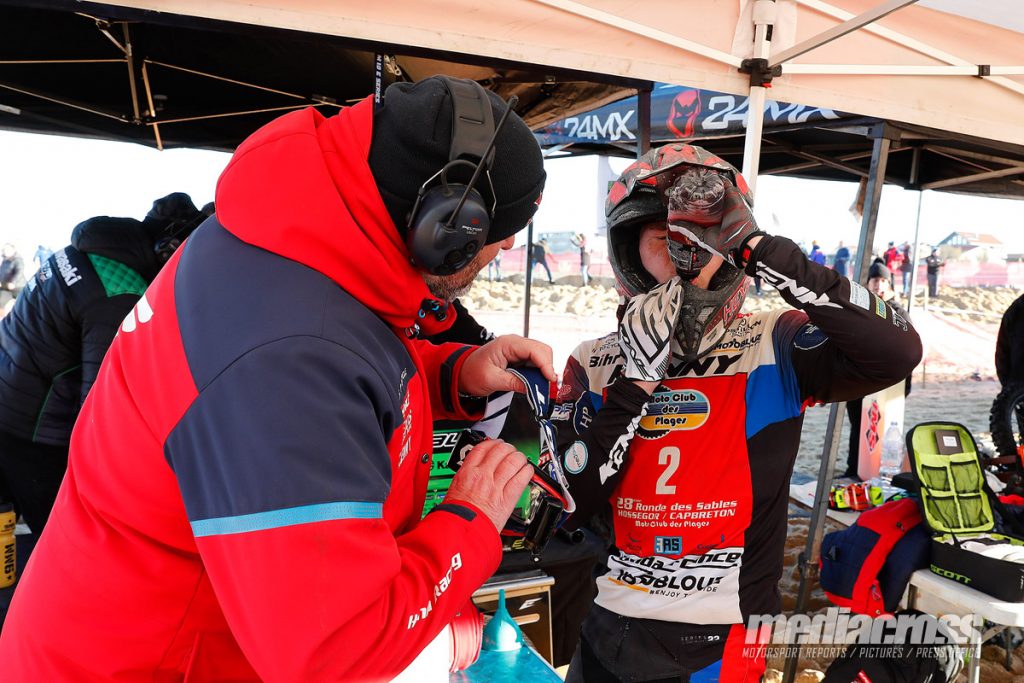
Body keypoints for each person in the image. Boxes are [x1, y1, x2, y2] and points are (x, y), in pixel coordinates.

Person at [0, 75, 552, 681]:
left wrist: (452, 375)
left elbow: (342, 368)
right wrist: (469, 521)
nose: (499, 252)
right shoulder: (288, 359)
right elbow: (336, 655)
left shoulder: (291, 248)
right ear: (446, 223)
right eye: (497, 236)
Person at [550, 145, 921, 682]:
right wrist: (636, 381)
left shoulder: (776, 340)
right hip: (607, 623)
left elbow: (898, 351)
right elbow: (569, 504)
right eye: (667, 240)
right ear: (629, 253)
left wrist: (760, 248)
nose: (687, 257)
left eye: (702, 239)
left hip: (724, 638)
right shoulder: (593, 359)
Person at [0, 193, 208, 539]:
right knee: (66, 544)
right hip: (33, 434)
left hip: (10, 404)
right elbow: (102, 407)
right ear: (169, 251)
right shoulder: (119, 295)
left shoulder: (81, 254)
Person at [843, 262, 913, 478]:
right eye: (875, 280)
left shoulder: (898, 312)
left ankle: (875, 471)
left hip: (885, 384)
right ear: (868, 283)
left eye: (883, 281)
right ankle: (853, 469)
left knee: (880, 429)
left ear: (890, 284)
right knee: (858, 427)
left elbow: (909, 348)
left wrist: (905, 385)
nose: (879, 285)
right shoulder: (860, 307)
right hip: (858, 380)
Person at [996, 292, 1024, 387]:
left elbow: (1002, 354)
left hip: (1017, 389)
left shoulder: (1016, 308)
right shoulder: (1016, 310)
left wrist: (1009, 388)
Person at [0, 243, 25, 308]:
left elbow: (19, 271)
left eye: (8, 249)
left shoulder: (18, 260)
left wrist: (13, 283)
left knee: (22, 305)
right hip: (5, 286)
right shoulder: (5, 261)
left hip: (17, 286)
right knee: (1, 302)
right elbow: (2, 272)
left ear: (13, 250)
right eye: (4, 249)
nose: (6, 251)